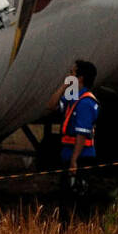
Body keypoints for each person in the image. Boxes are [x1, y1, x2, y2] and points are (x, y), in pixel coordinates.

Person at [48, 60, 99, 192]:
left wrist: (74, 160)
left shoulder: (86, 102)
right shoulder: (73, 97)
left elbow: (81, 134)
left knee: (77, 193)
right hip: (68, 152)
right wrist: (63, 87)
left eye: (72, 73)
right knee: (66, 192)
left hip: (81, 156)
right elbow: (51, 105)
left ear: (80, 78)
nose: (68, 75)